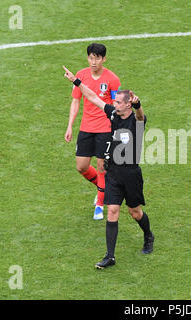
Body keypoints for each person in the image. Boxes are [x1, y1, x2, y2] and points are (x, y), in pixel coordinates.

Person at [63, 66, 155, 269]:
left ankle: (148, 235)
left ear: (128, 105)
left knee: (135, 212)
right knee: (112, 211)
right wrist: (76, 82)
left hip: (131, 174)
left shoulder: (136, 121)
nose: (113, 104)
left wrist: (138, 104)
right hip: (113, 172)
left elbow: (140, 115)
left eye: (118, 102)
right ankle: (110, 256)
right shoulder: (113, 114)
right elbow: (94, 97)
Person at [64, 43, 121, 220]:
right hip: (86, 127)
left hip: (105, 128)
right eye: (91, 57)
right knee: (81, 166)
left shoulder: (112, 79)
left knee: (102, 167)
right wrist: (70, 125)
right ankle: (103, 189)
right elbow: (76, 101)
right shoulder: (80, 76)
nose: (93, 61)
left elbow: (114, 106)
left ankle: (99, 205)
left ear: (104, 59)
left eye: (97, 57)